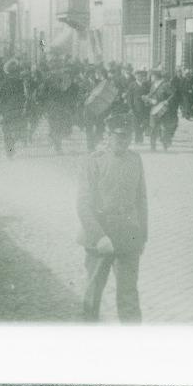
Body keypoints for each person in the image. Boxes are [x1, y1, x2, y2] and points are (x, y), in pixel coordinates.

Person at [77, 113, 148, 323]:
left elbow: (141, 200)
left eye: (128, 137)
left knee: (129, 296)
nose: (124, 141)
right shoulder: (93, 162)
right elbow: (82, 204)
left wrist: (143, 236)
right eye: (119, 136)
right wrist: (99, 236)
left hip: (128, 236)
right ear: (108, 135)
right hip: (100, 236)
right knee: (93, 294)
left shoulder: (136, 160)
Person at [147, 68, 177, 152]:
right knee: (153, 128)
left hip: (164, 109)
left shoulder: (165, 85)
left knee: (164, 128)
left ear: (156, 76)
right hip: (154, 109)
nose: (150, 77)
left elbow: (173, 94)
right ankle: (153, 147)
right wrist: (148, 99)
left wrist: (167, 101)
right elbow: (151, 95)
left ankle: (165, 146)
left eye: (151, 76)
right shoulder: (153, 85)